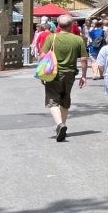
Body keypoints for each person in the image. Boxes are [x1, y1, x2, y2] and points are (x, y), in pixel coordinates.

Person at [40, 14, 88, 142]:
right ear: (72, 25)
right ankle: (63, 125)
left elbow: (42, 56)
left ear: (58, 25)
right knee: (65, 100)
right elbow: (83, 59)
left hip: (53, 73)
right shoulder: (78, 40)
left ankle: (60, 124)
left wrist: (42, 73)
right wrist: (83, 76)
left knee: (53, 100)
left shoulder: (52, 37)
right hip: (70, 74)